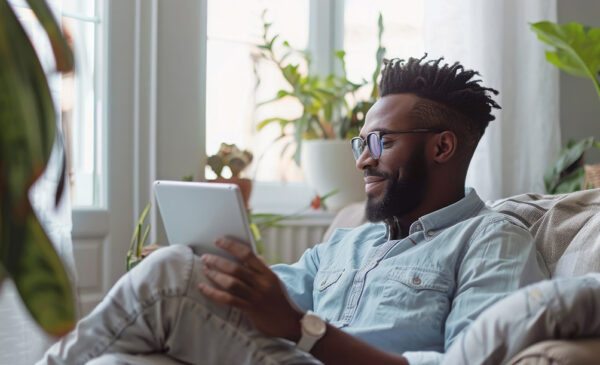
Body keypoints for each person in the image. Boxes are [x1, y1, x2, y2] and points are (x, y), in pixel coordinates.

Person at [39, 56, 548, 365]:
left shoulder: (493, 239)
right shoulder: (351, 242)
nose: (364, 158)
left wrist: (303, 329)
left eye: (382, 141)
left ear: (441, 148)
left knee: (170, 275)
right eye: (360, 143)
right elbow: (268, 295)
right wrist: (213, 268)